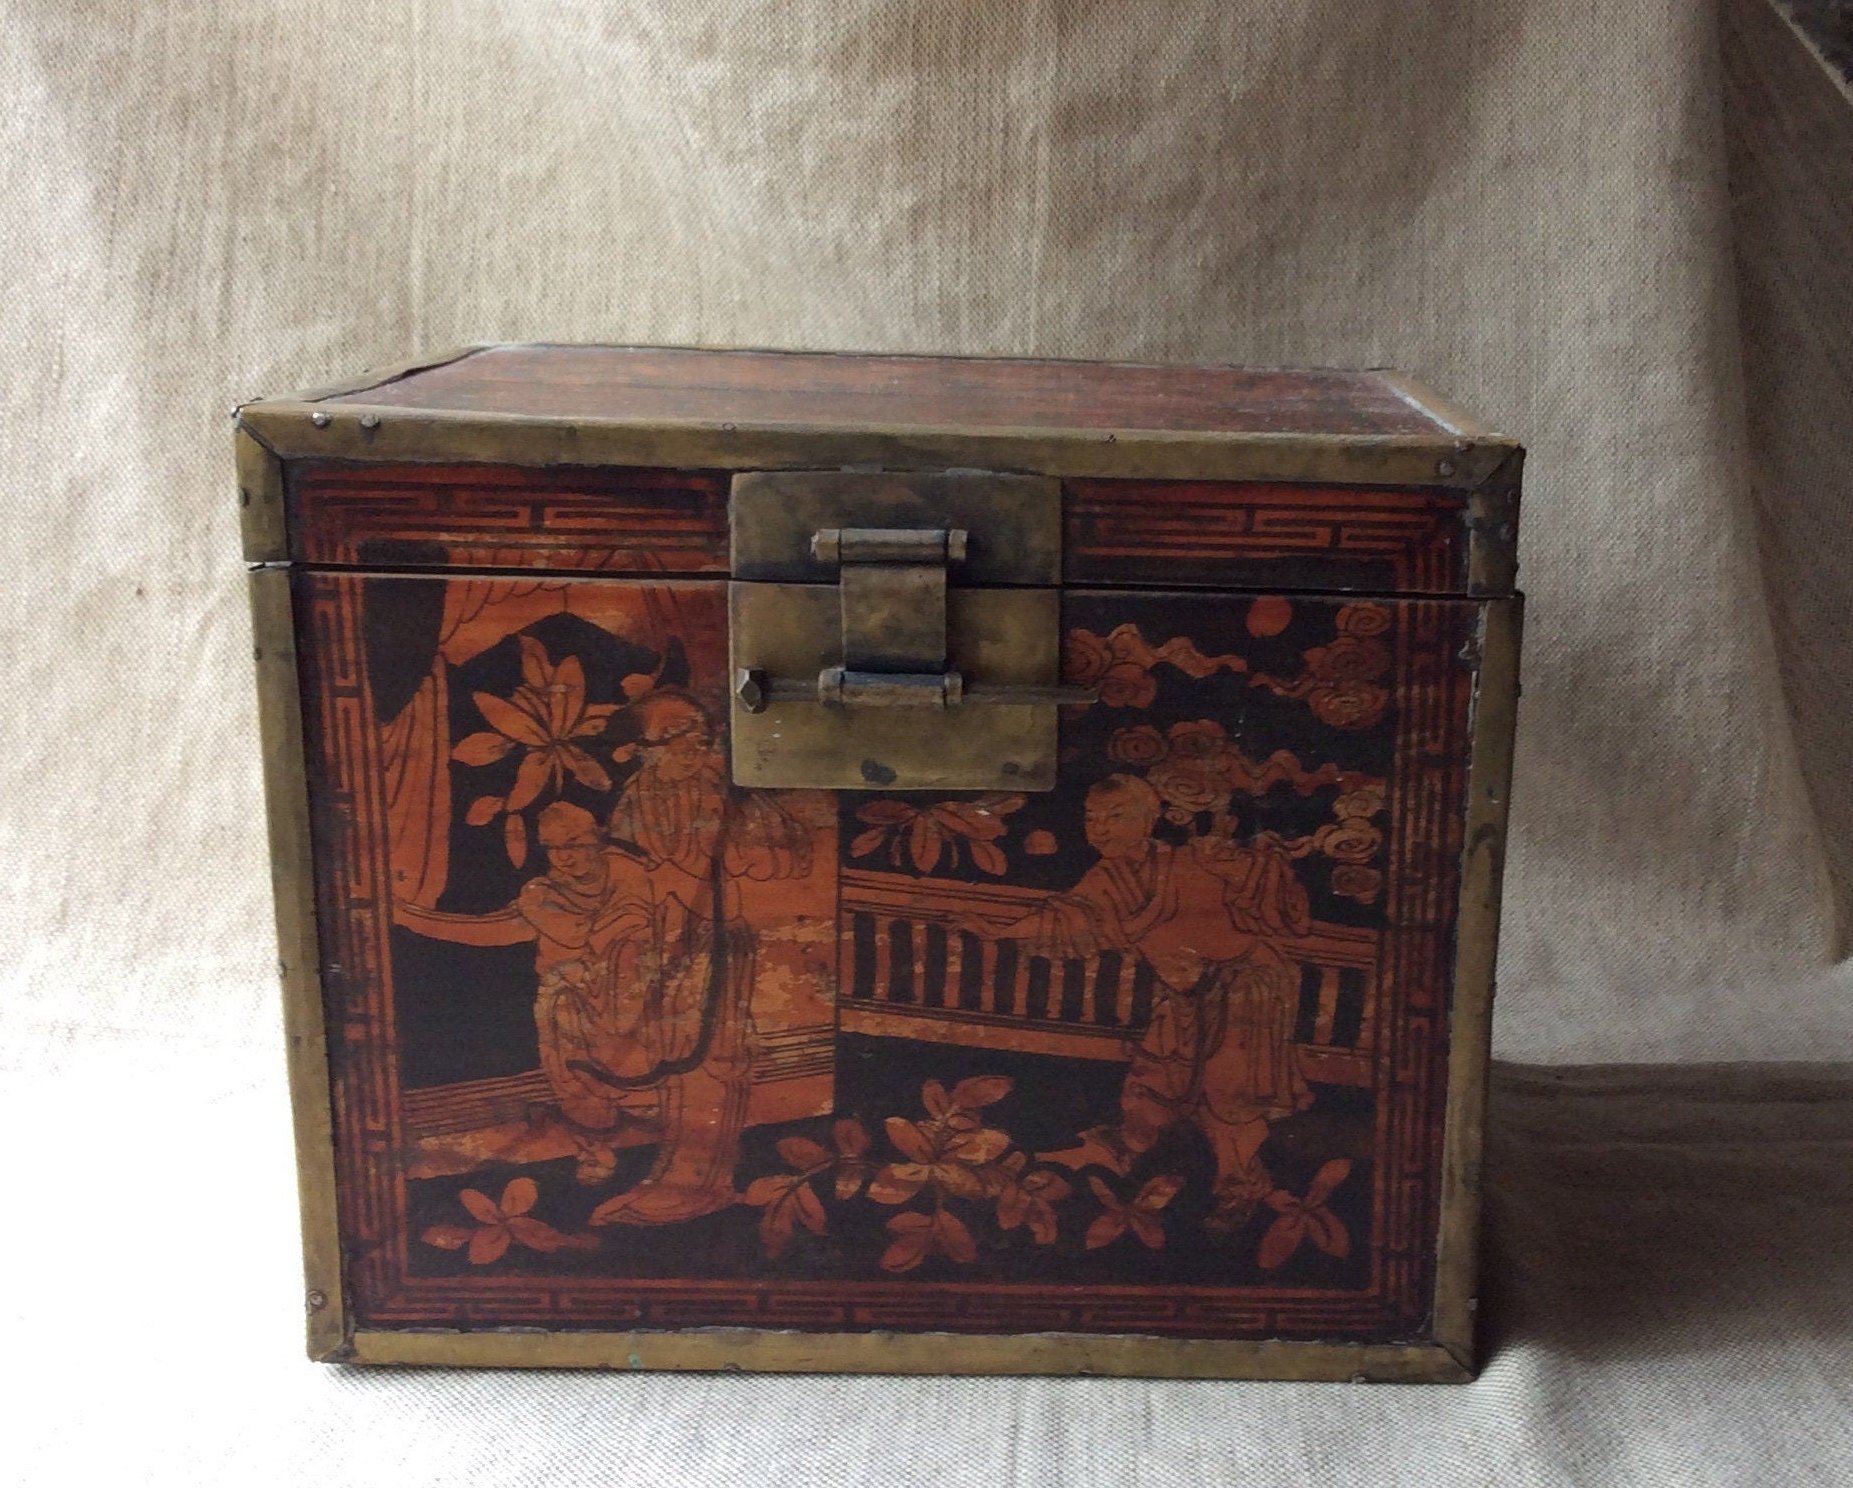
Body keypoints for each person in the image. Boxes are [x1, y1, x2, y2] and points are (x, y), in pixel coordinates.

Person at [976, 773, 1314, 1229]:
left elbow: (1262, 892)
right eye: (1093, 818)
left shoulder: (1189, 860)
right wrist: (1002, 931)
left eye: (1117, 817)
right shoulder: (1108, 876)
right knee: (1155, 1072)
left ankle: (1236, 1182)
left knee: (1228, 1090)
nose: (1102, 828)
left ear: (1149, 819)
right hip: (1184, 992)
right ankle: (1127, 1153)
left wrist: (1256, 862)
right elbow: (1072, 920)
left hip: (1247, 987)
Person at [515, 801, 657, 1183]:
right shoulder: (540, 890)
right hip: (568, 990)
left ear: (597, 839)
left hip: (627, 988)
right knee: (566, 1045)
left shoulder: (626, 871)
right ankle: (593, 1146)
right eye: (552, 847)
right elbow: (574, 937)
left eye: (574, 844)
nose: (564, 857)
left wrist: (605, 940)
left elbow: (638, 922)